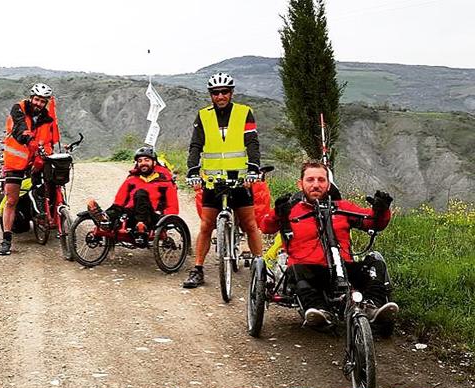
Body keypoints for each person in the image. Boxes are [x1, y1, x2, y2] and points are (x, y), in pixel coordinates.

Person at [259, 161, 399, 326]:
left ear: (328, 184)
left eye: (321, 180)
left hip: (343, 268)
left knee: (375, 264)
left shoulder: (343, 208)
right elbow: (266, 226)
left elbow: (374, 223)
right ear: (300, 183)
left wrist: (381, 210)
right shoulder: (291, 210)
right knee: (296, 270)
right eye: (310, 180)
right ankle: (319, 310)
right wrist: (278, 214)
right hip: (308, 271)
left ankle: (372, 306)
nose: (316, 185)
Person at [183, 72, 263, 288]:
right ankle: (197, 269)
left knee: (249, 224)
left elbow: (252, 142)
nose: (220, 96)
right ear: (211, 95)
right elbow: (196, 146)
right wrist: (192, 171)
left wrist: (254, 168)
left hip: (240, 180)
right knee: (207, 225)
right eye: (216, 92)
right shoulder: (203, 116)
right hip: (212, 181)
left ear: (231, 93)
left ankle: (261, 268)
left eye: (224, 92)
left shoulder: (244, 113)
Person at [0, 82, 60, 255]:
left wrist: (46, 154)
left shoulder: (48, 119)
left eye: (42, 101)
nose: (38, 104)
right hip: (15, 162)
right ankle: (6, 239)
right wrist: (29, 140)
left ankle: (50, 218)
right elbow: (19, 128)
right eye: (37, 99)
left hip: (35, 163)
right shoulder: (18, 109)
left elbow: (48, 142)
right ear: (31, 97)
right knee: (11, 200)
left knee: (50, 186)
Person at [86, 147, 178, 242]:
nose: (143, 163)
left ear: (154, 163)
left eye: (147, 160)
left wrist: (167, 219)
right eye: (140, 161)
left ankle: (141, 224)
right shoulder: (132, 179)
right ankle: (104, 219)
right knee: (118, 210)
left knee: (140, 194)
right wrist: (113, 211)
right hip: (131, 215)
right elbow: (119, 201)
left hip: (151, 217)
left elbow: (172, 206)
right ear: (137, 164)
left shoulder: (165, 182)